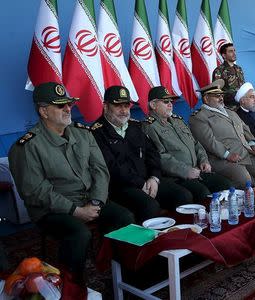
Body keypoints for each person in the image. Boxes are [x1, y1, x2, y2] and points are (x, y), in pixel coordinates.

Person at [8, 82, 134, 296]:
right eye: (60, 106)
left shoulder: (82, 133)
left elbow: (100, 171)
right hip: (52, 210)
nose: (68, 109)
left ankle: (121, 278)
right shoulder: (27, 146)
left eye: (69, 104)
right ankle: (72, 287)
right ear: (43, 111)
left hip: (89, 200)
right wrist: (75, 211)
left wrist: (96, 202)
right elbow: (35, 191)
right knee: (79, 234)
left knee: (124, 216)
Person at [91, 86, 191, 224]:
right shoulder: (97, 132)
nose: (124, 111)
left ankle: (178, 237)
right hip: (121, 187)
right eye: (118, 106)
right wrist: (141, 183)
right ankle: (148, 245)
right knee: (149, 206)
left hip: (148, 181)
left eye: (126, 105)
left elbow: (153, 154)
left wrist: (154, 178)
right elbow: (112, 167)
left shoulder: (135, 126)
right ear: (106, 106)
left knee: (182, 195)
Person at [142, 86, 231, 201]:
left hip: (197, 170)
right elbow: (160, 156)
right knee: (203, 194)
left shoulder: (178, 120)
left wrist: (204, 160)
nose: (170, 104)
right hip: (177, 176)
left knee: (225, 184)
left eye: (171, 101)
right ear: (153, 105)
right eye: (165, 101)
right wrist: (185, 171)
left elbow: (196, 143)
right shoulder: (149, 126)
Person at [189, 79, 255, 189]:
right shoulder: (199, 117)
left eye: (221, 95)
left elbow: (245, 128)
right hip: (221, 158)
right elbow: (209, 142)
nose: (221, 98)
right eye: (216, 96)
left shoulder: (230, 111)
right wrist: (227, 155)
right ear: (206, 98)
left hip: (244, 152)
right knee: (244, 179)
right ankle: (246, 198)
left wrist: (253, 143)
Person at [212, 43, 245, 109]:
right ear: (224, 55)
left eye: (234, 51)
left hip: (242, 106)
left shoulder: (239, 69)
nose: (234, 53)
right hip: (230, 108)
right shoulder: (219, 71)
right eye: (230, 51)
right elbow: (217, 92)